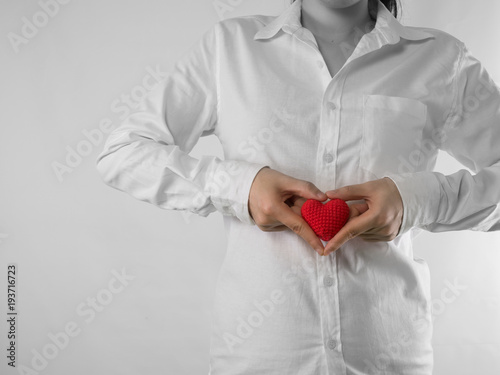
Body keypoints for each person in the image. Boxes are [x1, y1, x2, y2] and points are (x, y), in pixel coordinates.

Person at [95, 0, 500, 373]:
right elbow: (123, 153)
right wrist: (241, 187)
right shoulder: (230, 48)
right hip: (258, 356)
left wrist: (418, 200)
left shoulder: (441, 59)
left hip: (389, 355)